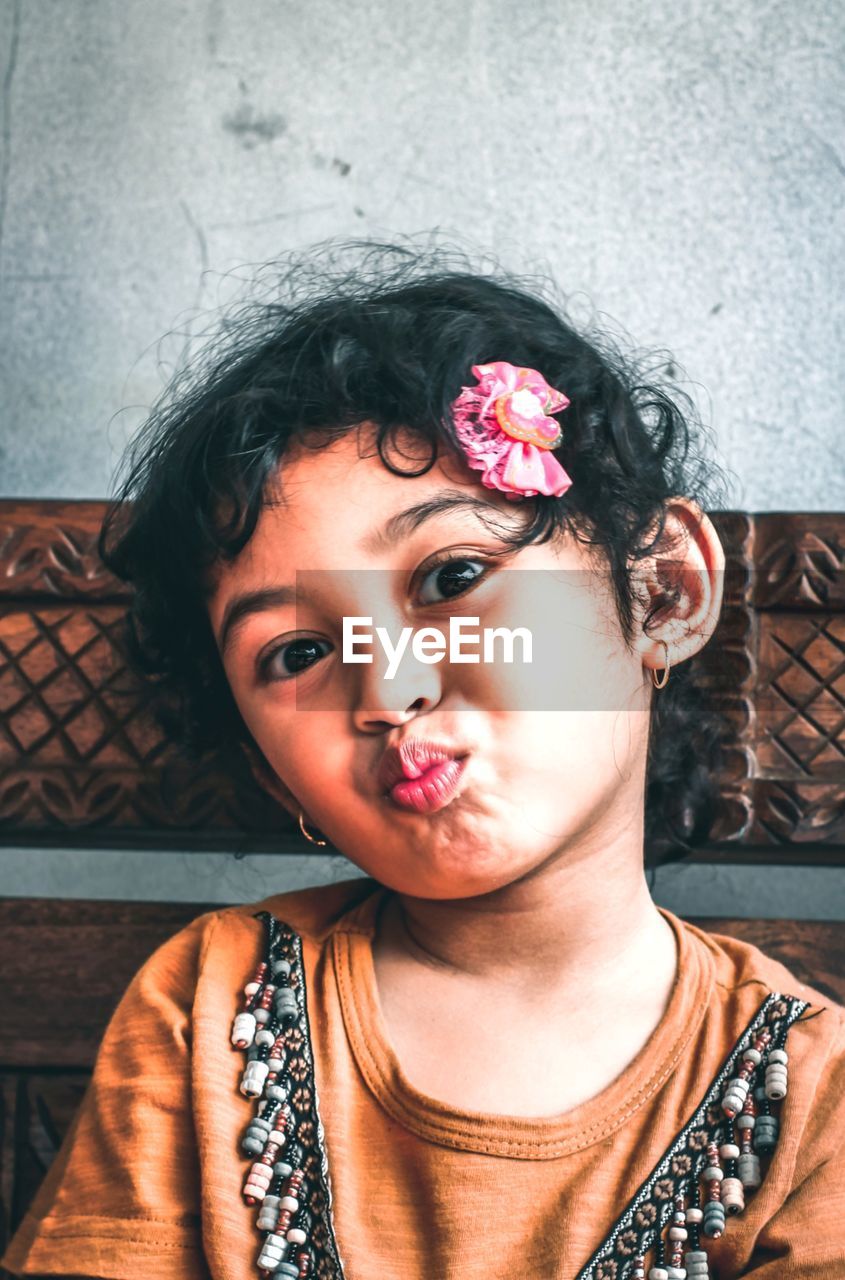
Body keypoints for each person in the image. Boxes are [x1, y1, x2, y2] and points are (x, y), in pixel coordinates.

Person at [3, 245, 843, 1280]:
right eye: (299, 652)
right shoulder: (209, 1009)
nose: (386, 688)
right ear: (274, 773)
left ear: (661, 591)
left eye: (451, 575)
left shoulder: (813, 1098)